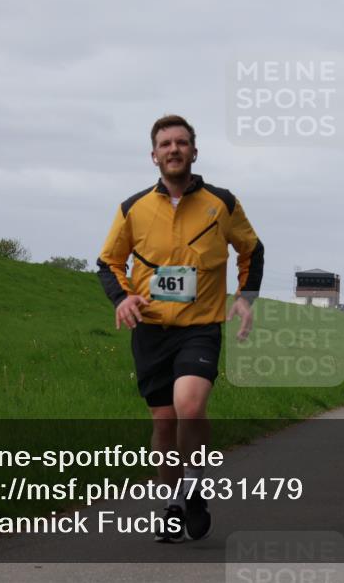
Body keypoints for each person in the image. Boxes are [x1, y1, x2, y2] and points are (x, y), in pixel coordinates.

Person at [97, 114, 264, 543]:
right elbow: (108, 262)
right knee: (165, 423)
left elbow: (252, 250)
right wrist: (123, 298)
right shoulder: (132, 208)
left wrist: (245, 298)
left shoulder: (221, 202)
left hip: (200, 327)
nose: (174, 149)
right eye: (166, 144)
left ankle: (194, 484)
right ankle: (173, 503)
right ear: (153, 155)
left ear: (194, 151)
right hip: (151, 330)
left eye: (182, 142)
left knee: (189, 406)